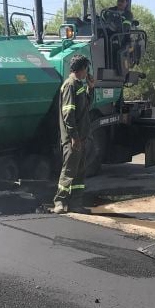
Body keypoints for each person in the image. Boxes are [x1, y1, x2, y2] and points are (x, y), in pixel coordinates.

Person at [53, 55, 95, 214]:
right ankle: (59, 202)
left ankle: (76, 204)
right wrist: (74, 137)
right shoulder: (70, 85)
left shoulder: (79, 85)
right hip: (73, 139)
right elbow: (68, 114)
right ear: (82, 68)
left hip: (81, 137)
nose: (87, 73)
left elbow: (85, 108)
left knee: (79, 172)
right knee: (69, 170)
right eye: (86, 69)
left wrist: (91, 87)